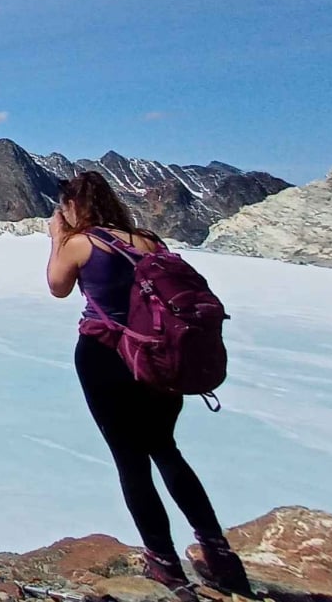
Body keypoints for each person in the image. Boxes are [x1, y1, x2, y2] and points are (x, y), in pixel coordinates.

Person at [45, 171, 251, 596]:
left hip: (106, 358)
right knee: (167, 450)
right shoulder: (150, 241)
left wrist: (57, 240)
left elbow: (57, 287)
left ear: (72, 206)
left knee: (131, 461)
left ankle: (165, 564)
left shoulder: (83, 244)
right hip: (162, 359)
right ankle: (218, 552)